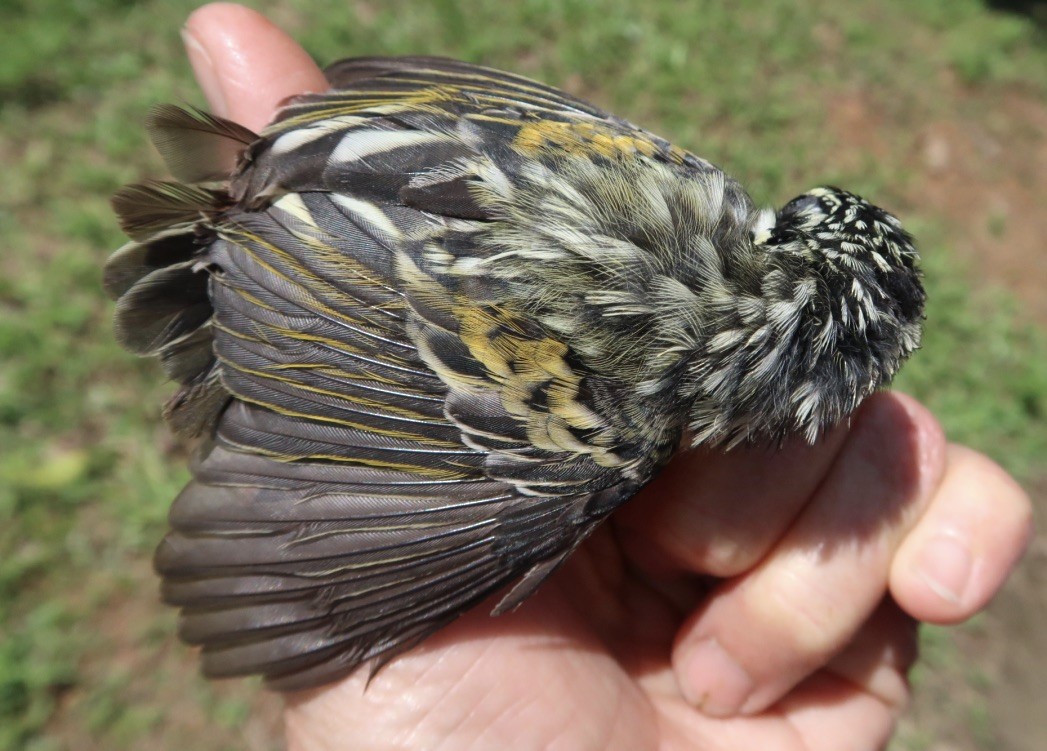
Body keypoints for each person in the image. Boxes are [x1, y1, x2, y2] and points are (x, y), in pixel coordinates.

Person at [175, 5, 1034, 749]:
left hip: (358, 206)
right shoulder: (616, 431)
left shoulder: (678, 185)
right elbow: (343, 521)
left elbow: (511, 132)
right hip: (312, 273)